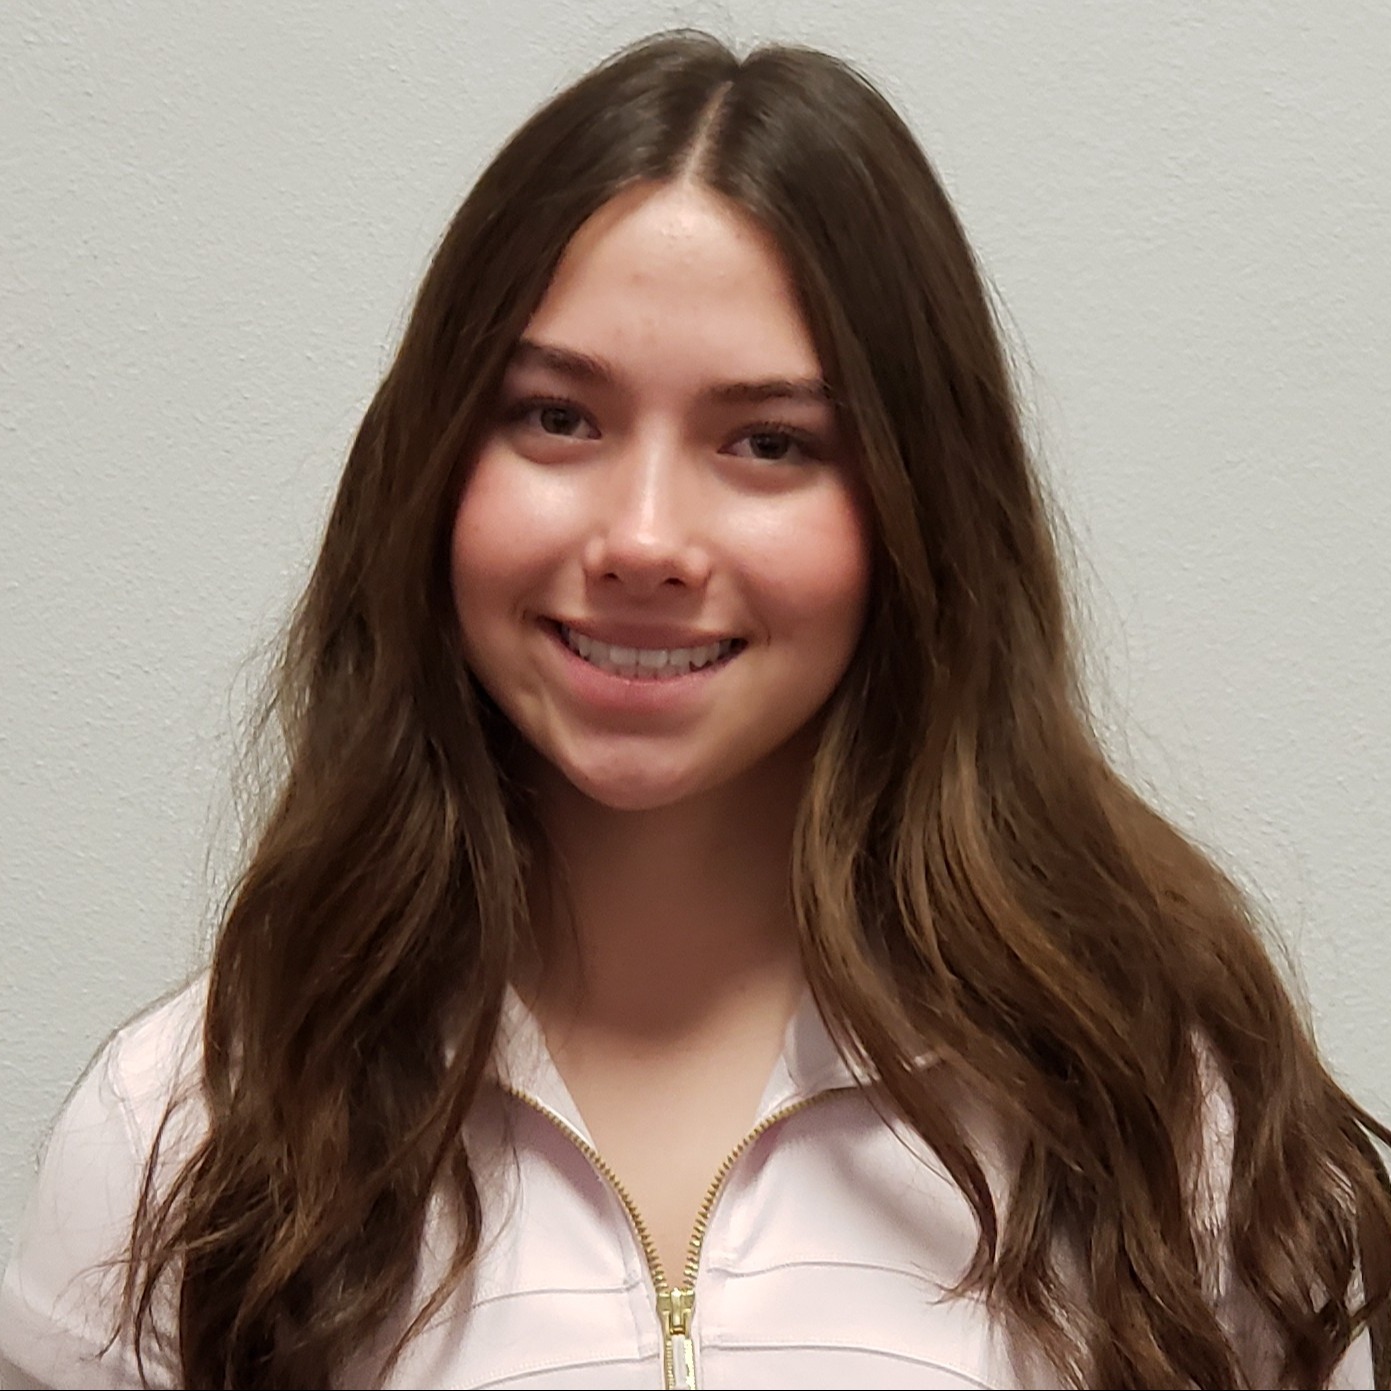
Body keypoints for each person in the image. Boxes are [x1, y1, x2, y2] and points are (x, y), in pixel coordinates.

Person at [1, 28, 1387, 1391]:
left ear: (921, 513)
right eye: (556, 418)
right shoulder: (186, 1127)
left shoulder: (1173, 1124)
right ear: (429, 467)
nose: (646, 537)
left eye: (769, 443)